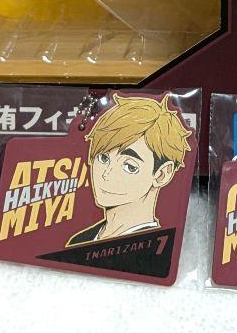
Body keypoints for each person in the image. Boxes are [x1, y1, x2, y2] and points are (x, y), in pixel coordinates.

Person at [66, 94, 191, 246]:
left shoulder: (157, 247)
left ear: (161, 174)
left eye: (129, 167)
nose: (106, 174)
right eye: (103, 158)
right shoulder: (80, 241)